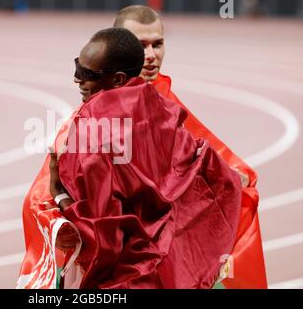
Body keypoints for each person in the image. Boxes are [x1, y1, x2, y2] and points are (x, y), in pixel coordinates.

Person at [18, 27, 242, 289]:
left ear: (117, 79)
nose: (77, 79)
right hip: (176, 271)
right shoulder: (164, 110)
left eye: (87, 73)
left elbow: (100, 234)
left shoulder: (92, 132)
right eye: (77, 66)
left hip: (129, 279)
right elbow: (213, 177)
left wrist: (58, 194)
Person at [113, 5, 267, 289]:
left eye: (157, 44)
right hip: (126, 252)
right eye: (140, 45)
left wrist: (230, 175)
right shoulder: (101, 107)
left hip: (167, 247)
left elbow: (203, 149)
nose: (151, 56)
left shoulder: (164, 97)